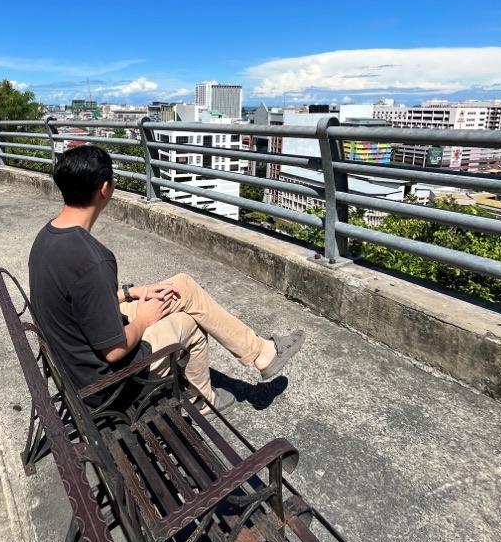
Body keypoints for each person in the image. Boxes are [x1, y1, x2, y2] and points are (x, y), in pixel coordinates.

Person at [28, 144, 305, 413]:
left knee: (181, 286)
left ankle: (260, 352)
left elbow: (79, 299)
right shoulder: (94, 259)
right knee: (189, 324)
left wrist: (134, 292)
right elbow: (113, 351)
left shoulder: (48, 237)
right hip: (104, 386)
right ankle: (202, 399)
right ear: (105, 189)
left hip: (74, 359)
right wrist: (144, 319)